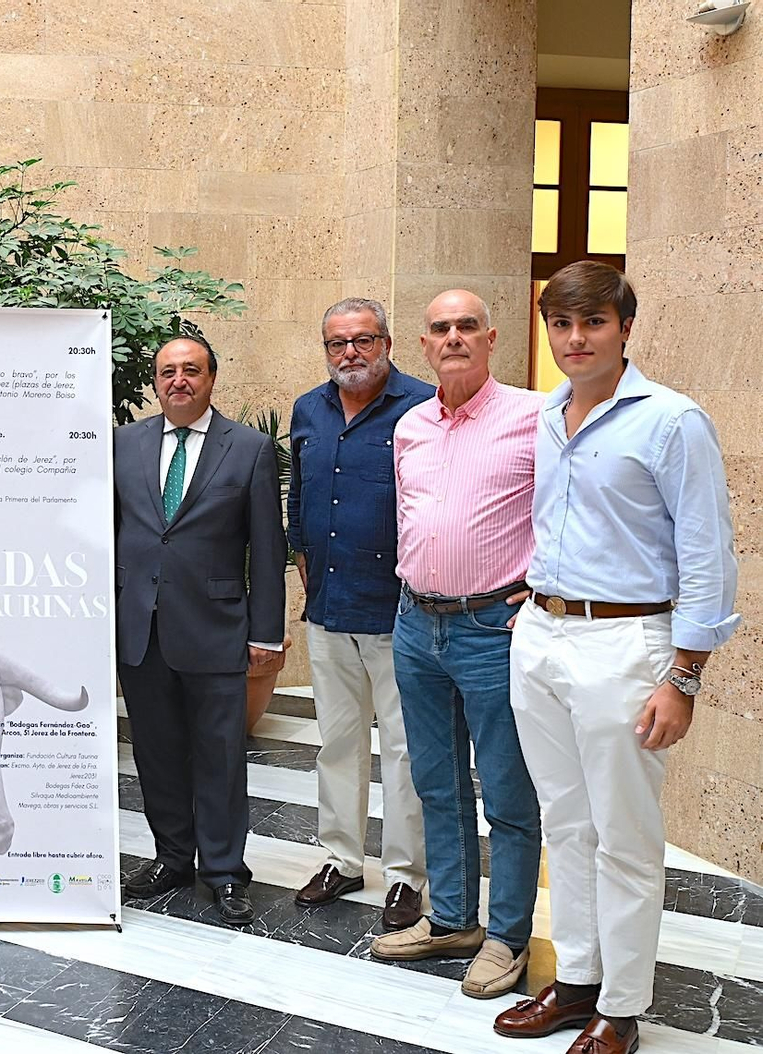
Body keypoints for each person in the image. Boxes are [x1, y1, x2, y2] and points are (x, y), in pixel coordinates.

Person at [493, 262, 739, 1054]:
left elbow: (708, 556)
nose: (575, 339)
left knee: (624, 835)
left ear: (624, 328)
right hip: (542, 635)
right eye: (561, 324)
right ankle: (576, 981)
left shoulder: (672, 421)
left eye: (592, 323)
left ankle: (622, 1006)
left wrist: (685, 676)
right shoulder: (547, 416)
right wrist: (537, 596)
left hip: (628, 644)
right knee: (565, 823)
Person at [369, 290, 543, 1000]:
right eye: (440, 328)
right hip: (416, 625)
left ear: (492, 337)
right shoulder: (410, 426)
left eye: (466, 326)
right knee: (434, 783)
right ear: (424, 344)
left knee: (506, 791)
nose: (453, 337)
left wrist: (545, 583)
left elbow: (567, 509)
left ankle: (506, 937)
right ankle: (451, 918)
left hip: (489, 631)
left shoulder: (535, 417)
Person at [113, 333, 286, 925]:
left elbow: (267, 549)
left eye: (191, 370)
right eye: (167, 372)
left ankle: (224, 870)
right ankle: (171, 857)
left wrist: (266, 633)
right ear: (156, 381)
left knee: (219, 754)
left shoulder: (251, 448)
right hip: (140, 626)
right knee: (156, 752)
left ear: (212, 378)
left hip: (216, 628)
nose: (178, 380)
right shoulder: (123, 444)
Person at [288, 298, 432, 931]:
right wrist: (304, 565)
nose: (350, 352)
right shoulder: (307, 410)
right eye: (337, 342)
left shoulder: (423, 407)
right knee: (338, 743)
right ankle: (341, 859)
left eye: (363, 340)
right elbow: (301, 499)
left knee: (403, 751)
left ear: (388, 342)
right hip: (328, 607)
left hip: (400, 612)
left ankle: (405, 876)